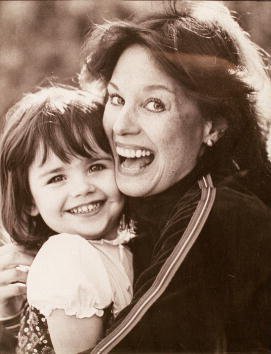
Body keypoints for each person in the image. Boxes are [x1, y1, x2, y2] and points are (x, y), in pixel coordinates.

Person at [78, 1, 271, 352]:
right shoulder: (141, 206)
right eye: (116, 98)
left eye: (155, 104)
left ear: (214, 126)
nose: (121, 126)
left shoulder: (219, 213)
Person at [0, 85, 135, 354]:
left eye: (96, 166)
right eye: (57, 177)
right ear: (29, 201)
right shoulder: (66, 256)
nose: (82, 188)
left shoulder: (117, 248)